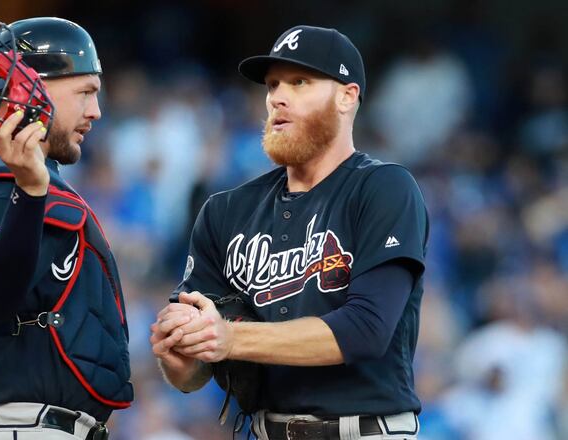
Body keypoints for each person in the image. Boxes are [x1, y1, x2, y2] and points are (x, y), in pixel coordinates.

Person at [151, 25, 429, 440]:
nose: (277, 97)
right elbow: (193, 375)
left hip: (365, 431)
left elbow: (366, 330)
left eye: (300, 82)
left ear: (346, 96)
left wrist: (230, 338)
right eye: (273, 84)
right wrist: (182, 352)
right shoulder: (225, 211)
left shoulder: (383, 188)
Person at [0, 17, 132, 439]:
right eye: (85, 92)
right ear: (29, 88)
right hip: (19, 426)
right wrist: (31, 192)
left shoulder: (22, 184)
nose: (95, 110)